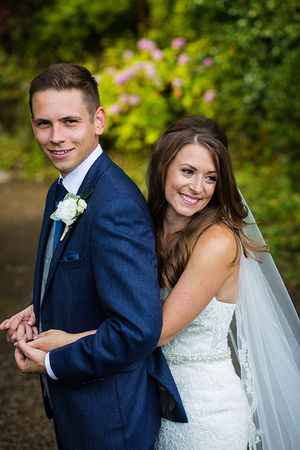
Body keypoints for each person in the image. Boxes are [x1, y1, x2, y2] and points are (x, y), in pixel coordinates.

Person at [9, 114, 300, 450]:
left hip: (203, 412)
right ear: (164, 167)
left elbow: (153, 329)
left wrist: (67, 342)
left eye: (210, 178)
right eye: (187, 171)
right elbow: (119, 288)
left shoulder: (218, 242)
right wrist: (40, 307)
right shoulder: (143, 222)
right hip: (146, 400)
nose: (197, 187)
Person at [0, 63, 187, 450]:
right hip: (81, 406)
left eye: (70, 121)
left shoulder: (114, 205)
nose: (55, 138)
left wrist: (52, 363)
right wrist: (40, 308)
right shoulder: (63, 188)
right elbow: (80, 271)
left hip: (110, 414)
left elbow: (137, 331)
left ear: (98, 119)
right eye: (43, 124)